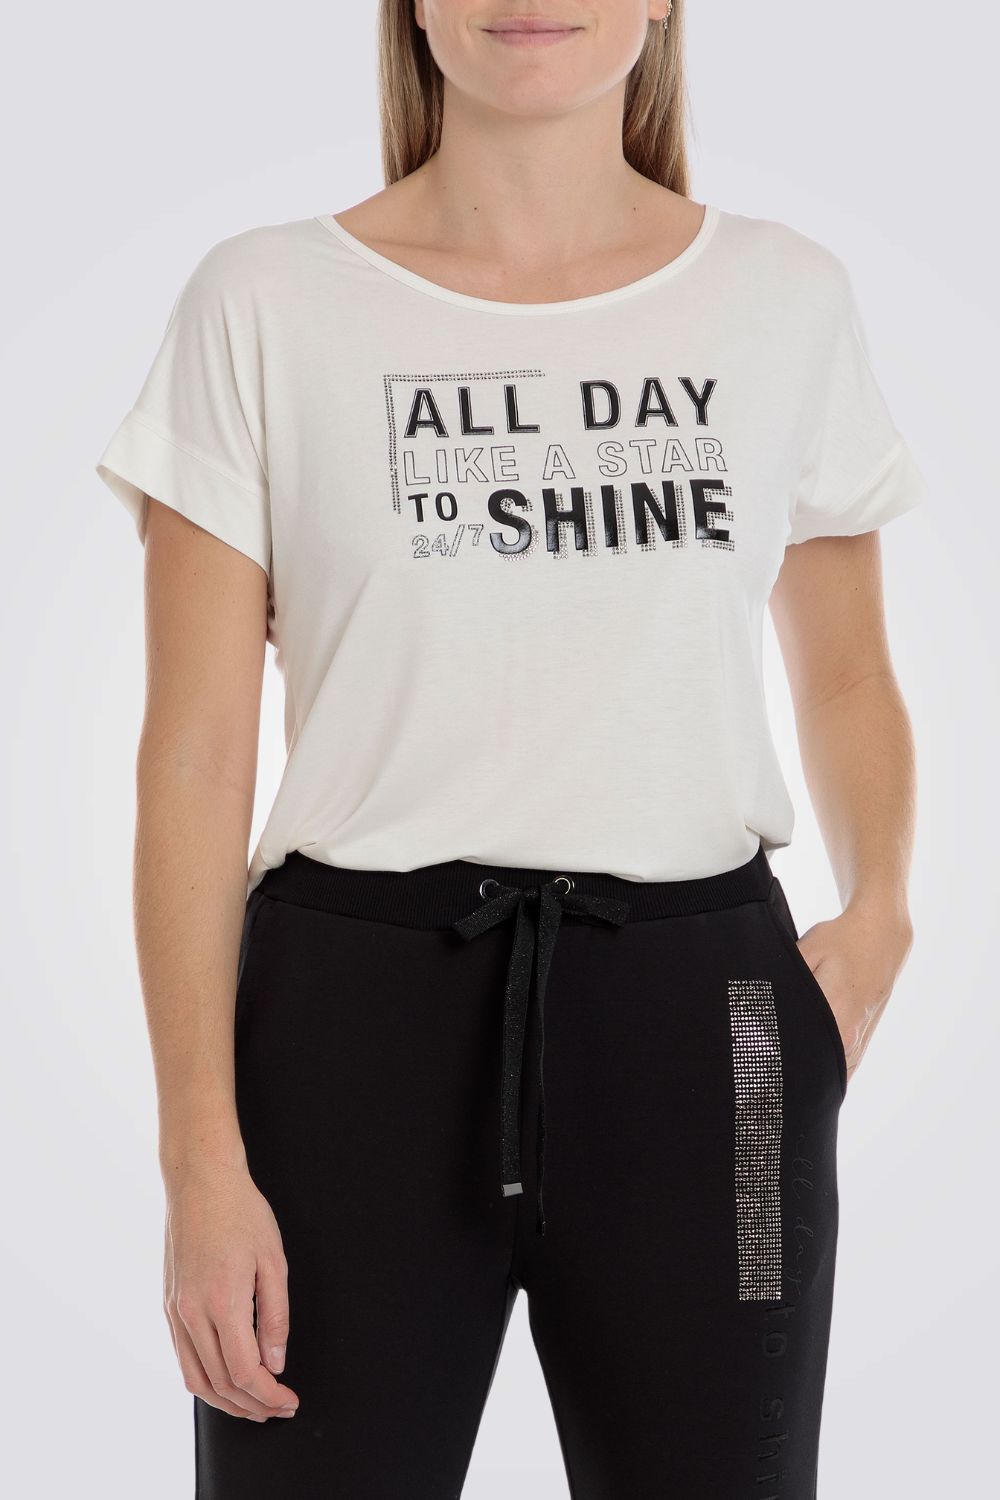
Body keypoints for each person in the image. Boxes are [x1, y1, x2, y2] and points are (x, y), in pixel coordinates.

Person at [94, 3, 925, 1495]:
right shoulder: (264, 303)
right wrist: (199, 1158)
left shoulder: (783, 297)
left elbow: (852, 674)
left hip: (711, 1026)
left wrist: (878, 920)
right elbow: (195, 758)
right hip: (347, 1033)